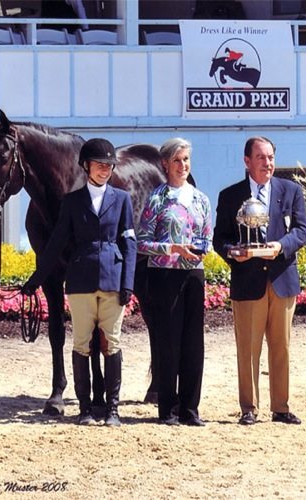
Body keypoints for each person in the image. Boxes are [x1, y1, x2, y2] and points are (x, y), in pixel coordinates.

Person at [23, 138, 137, 427]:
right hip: (81, 279)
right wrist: (35, 279)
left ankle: (112, 409)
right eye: (99, 165)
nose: (105, 170)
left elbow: (130, 244)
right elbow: (57, 241)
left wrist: (128, 283)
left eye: (109, 166)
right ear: (86, 166)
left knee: (112, 343)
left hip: (112, 278)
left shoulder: (122, 199)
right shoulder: (72, 202)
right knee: (82, 344)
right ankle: (85, 409)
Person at [213, 136, 306, 426]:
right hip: (247, 281)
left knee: (281, 347)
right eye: (260, 158)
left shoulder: (291, 190)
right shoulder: (230, 196)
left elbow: (303, 231)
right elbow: (221, 239)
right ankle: (249, 408)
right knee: (248, 347)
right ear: (246, 161)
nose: (267, 163)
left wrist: (281, 246)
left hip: (282, 279)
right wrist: (233, 252)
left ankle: (280, 407)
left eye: (270, 157)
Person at [137, 138, 212, 426]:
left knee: (194, 343)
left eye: (186, 160)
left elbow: (207, 235)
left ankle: (190, 409)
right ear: (166, 164)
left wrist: (198, 249)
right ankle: (168, 408)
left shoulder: (200, 199)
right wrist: (171, 249)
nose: (183, 165)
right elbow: (143, 242)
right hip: (164, 275)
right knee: (168, 342)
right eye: (178, 160)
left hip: (193, 274)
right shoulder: (156, 198)